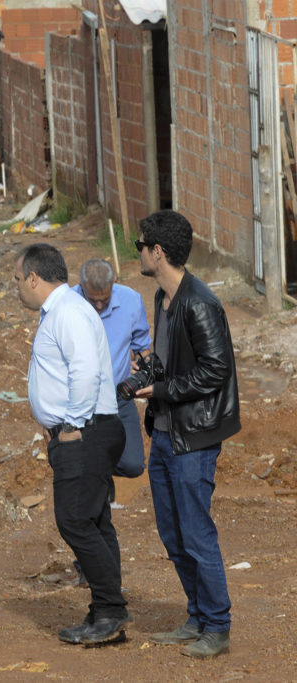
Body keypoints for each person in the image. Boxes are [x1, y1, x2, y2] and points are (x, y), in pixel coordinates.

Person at [133, 211, 239, 659]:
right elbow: (174, 359)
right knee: (173, 533)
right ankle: (197, 616)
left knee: (196, 533)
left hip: (192, 438)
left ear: (158, 252)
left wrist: (161, 388)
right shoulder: (163, 298)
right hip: (164, 432)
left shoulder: (200, 303)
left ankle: (217, 625)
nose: (136, 250)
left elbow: (215, 370)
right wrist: (149, 370)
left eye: (140, 244)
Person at [14, 243, 129, 646]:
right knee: (95, 521)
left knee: (75, 521)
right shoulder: (66, 311)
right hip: (88, 430)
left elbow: (84, 371)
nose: (17, 288)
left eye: (18, 280)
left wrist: (72, 426)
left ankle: (111, 610)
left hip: (86, 431)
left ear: (34, 277)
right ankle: (104, 611)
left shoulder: (67, 312)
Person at [72, 259, 150, 481]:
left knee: (133, 464)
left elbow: (142, 345)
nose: (98, 306)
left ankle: (97, 466)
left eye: (104, 300)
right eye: (92, 299)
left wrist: (144, 367)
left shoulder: (131, 301)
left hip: (119, 397)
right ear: (80, 286)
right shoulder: (66, 304)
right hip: (81, 400)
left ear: (114, 284)